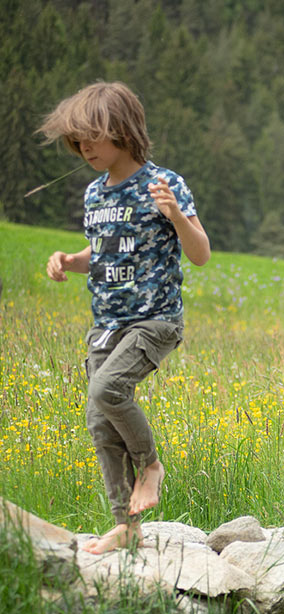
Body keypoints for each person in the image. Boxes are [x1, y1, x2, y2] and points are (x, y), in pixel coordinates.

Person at [37, 80, 210, 554]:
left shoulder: (164, 184)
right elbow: (105, 249)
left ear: (124, 130)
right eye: (77, 140)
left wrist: (175, 215)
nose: (84, 147)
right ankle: (126, 525)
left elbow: (200, 254)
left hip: (154, 320)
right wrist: (72, 262)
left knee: (107, 389)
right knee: (99, 419)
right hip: (106, 324)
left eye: (92, 136)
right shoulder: (95, 193)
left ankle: (150, 466)